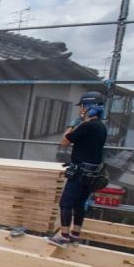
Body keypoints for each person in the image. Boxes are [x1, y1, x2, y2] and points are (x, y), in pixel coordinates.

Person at [47, 91, 108, 247]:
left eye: (82, 107)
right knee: (79, 204)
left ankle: (64, 238)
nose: (80, 110)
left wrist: (72, 125)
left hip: (80, 173)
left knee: (65, 203)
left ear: (88, 107)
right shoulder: (101, 126)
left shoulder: (87, 126)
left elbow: (65, 142)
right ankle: (74, 236)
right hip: (91, 173)